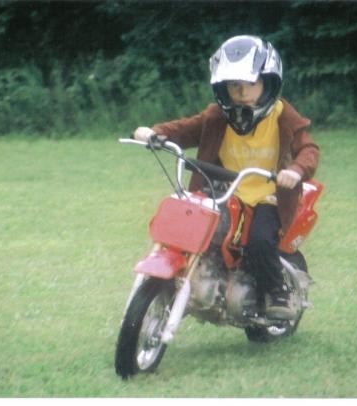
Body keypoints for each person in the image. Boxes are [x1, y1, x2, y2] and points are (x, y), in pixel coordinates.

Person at [133, 35, 320, 320]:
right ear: (223, 88)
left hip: (268, 194)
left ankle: (277, 292)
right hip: (224, 189)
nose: (242, 93)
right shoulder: (217, 116)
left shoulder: (283, 115)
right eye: (234, 86)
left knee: (259, 240)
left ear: (268, 83)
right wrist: (155, 133)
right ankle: (197, 279)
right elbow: (186, 129)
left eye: (250, 84)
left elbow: (308, 149)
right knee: (193, 225)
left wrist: (295, 171)